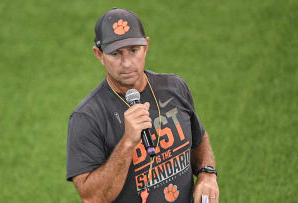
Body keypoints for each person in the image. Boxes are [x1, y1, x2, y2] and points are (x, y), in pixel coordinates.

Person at [66, 8, 219, 203]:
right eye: (115, 53)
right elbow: (91, 198)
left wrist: (207, 173)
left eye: (133, 50)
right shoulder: (86, 118)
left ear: (145, 46)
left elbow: (198, 138)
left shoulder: (174, 87)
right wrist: (128, 142)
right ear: (99, 54)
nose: (127, 63)